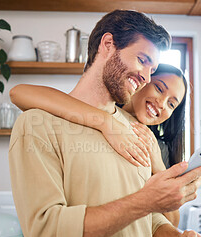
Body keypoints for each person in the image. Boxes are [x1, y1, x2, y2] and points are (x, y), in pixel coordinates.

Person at [9, 10, 201, 237]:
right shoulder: (38, 125)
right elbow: (45, 236)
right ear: (108, 45)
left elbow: (148, 222)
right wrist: (144, 202)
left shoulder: (139, 133)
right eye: (142, 60)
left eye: (152, 70)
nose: (146, 78)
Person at [10, 63, 186, 227]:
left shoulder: (158, 148)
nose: (162, 104)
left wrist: (157, 164)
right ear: (142, 81)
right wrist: (106, 122)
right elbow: (19, 92)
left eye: (171, 104)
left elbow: (171, 222)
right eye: (159, 88)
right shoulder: (90, 112)